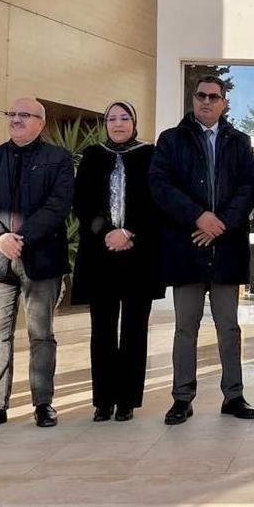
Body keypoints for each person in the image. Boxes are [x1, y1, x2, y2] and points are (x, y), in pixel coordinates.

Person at [149, 76, 254, 424]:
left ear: (224, 103)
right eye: (201, 96)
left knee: (229, 327)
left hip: (226, 248)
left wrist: (219, 223)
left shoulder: (240, 141)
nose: (207, 101)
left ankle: (234, 396)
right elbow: (160, 185)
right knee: (186, 328)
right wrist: (198, 216)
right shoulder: (171, 140)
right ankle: (182, 398)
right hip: (187, 247)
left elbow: (249, 187)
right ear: (193, 99)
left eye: (214, 97)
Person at [0, 98, 74, 429]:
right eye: (11, 114)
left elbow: (58, 205)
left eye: (24, 115)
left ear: (41, 122)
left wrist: (21, 238)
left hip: (41, 259)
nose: (15, 119)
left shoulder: (59, 159)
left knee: (41, 335)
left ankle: (43, 404)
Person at [72, 101, 163, 423]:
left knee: (135, 328)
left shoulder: (151, 155)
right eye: (112, 118)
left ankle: (127, 400)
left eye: (124, 118)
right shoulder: (92, 156)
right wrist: (107, 233)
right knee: (103, 329)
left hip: (139, 253)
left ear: (134, 123)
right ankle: (103, 400)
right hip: (100, 255)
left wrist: (128, 231)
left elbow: (157, 201)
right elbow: (82, 203)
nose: (118, 123)